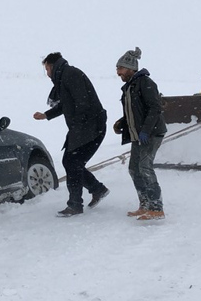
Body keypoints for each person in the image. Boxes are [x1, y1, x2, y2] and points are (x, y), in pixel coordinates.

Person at [33, 52, 110, 217]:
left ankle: (76, 204)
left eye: (47, 69)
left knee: (72, 162)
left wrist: (77, 127)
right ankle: (97, 189)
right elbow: (65, 105)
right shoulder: (64, 77)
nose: (47, 74)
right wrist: (46, 115)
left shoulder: (71, 74)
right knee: (72, 162)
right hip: (85, 127)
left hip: (91, 127)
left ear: (53, 66)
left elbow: (82, 102)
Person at [112, 47, 167, 220]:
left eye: (120, 69)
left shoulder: (145, 83)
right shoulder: (129, 87)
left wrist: (145, 130)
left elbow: (154, 108)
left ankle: (157, 209)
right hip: (138, 135)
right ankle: (145, 204)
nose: (118, 73)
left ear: (130, 68)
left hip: (151, 134)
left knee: (145, 168)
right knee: (134, 169)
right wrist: (122, 122)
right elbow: (134, 110)